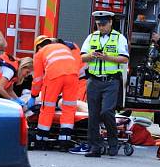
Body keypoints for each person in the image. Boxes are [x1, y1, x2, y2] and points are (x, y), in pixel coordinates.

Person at [77, 11, 129, 157]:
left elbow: (124, 59)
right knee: (93, 115)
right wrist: (91, 55)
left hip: (111, 81)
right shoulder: (91, 37)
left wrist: (107, 57)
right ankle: (95, 146)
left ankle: (113, 142)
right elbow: (82, 57)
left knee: (106, 111)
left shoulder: (119, 38)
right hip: (93, 81)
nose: (101, 27)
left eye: (104, 24)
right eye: (99, 24)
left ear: (111, 22)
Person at [31, 35, 81, 151]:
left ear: (38, 46)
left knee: (47, 107)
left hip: (54, 76)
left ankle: (41, 139)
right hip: (73, 76)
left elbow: (37, 79)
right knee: (69, 108)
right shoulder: (63, 47)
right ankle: (65, 140)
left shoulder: (40, 53)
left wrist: (34, 95)